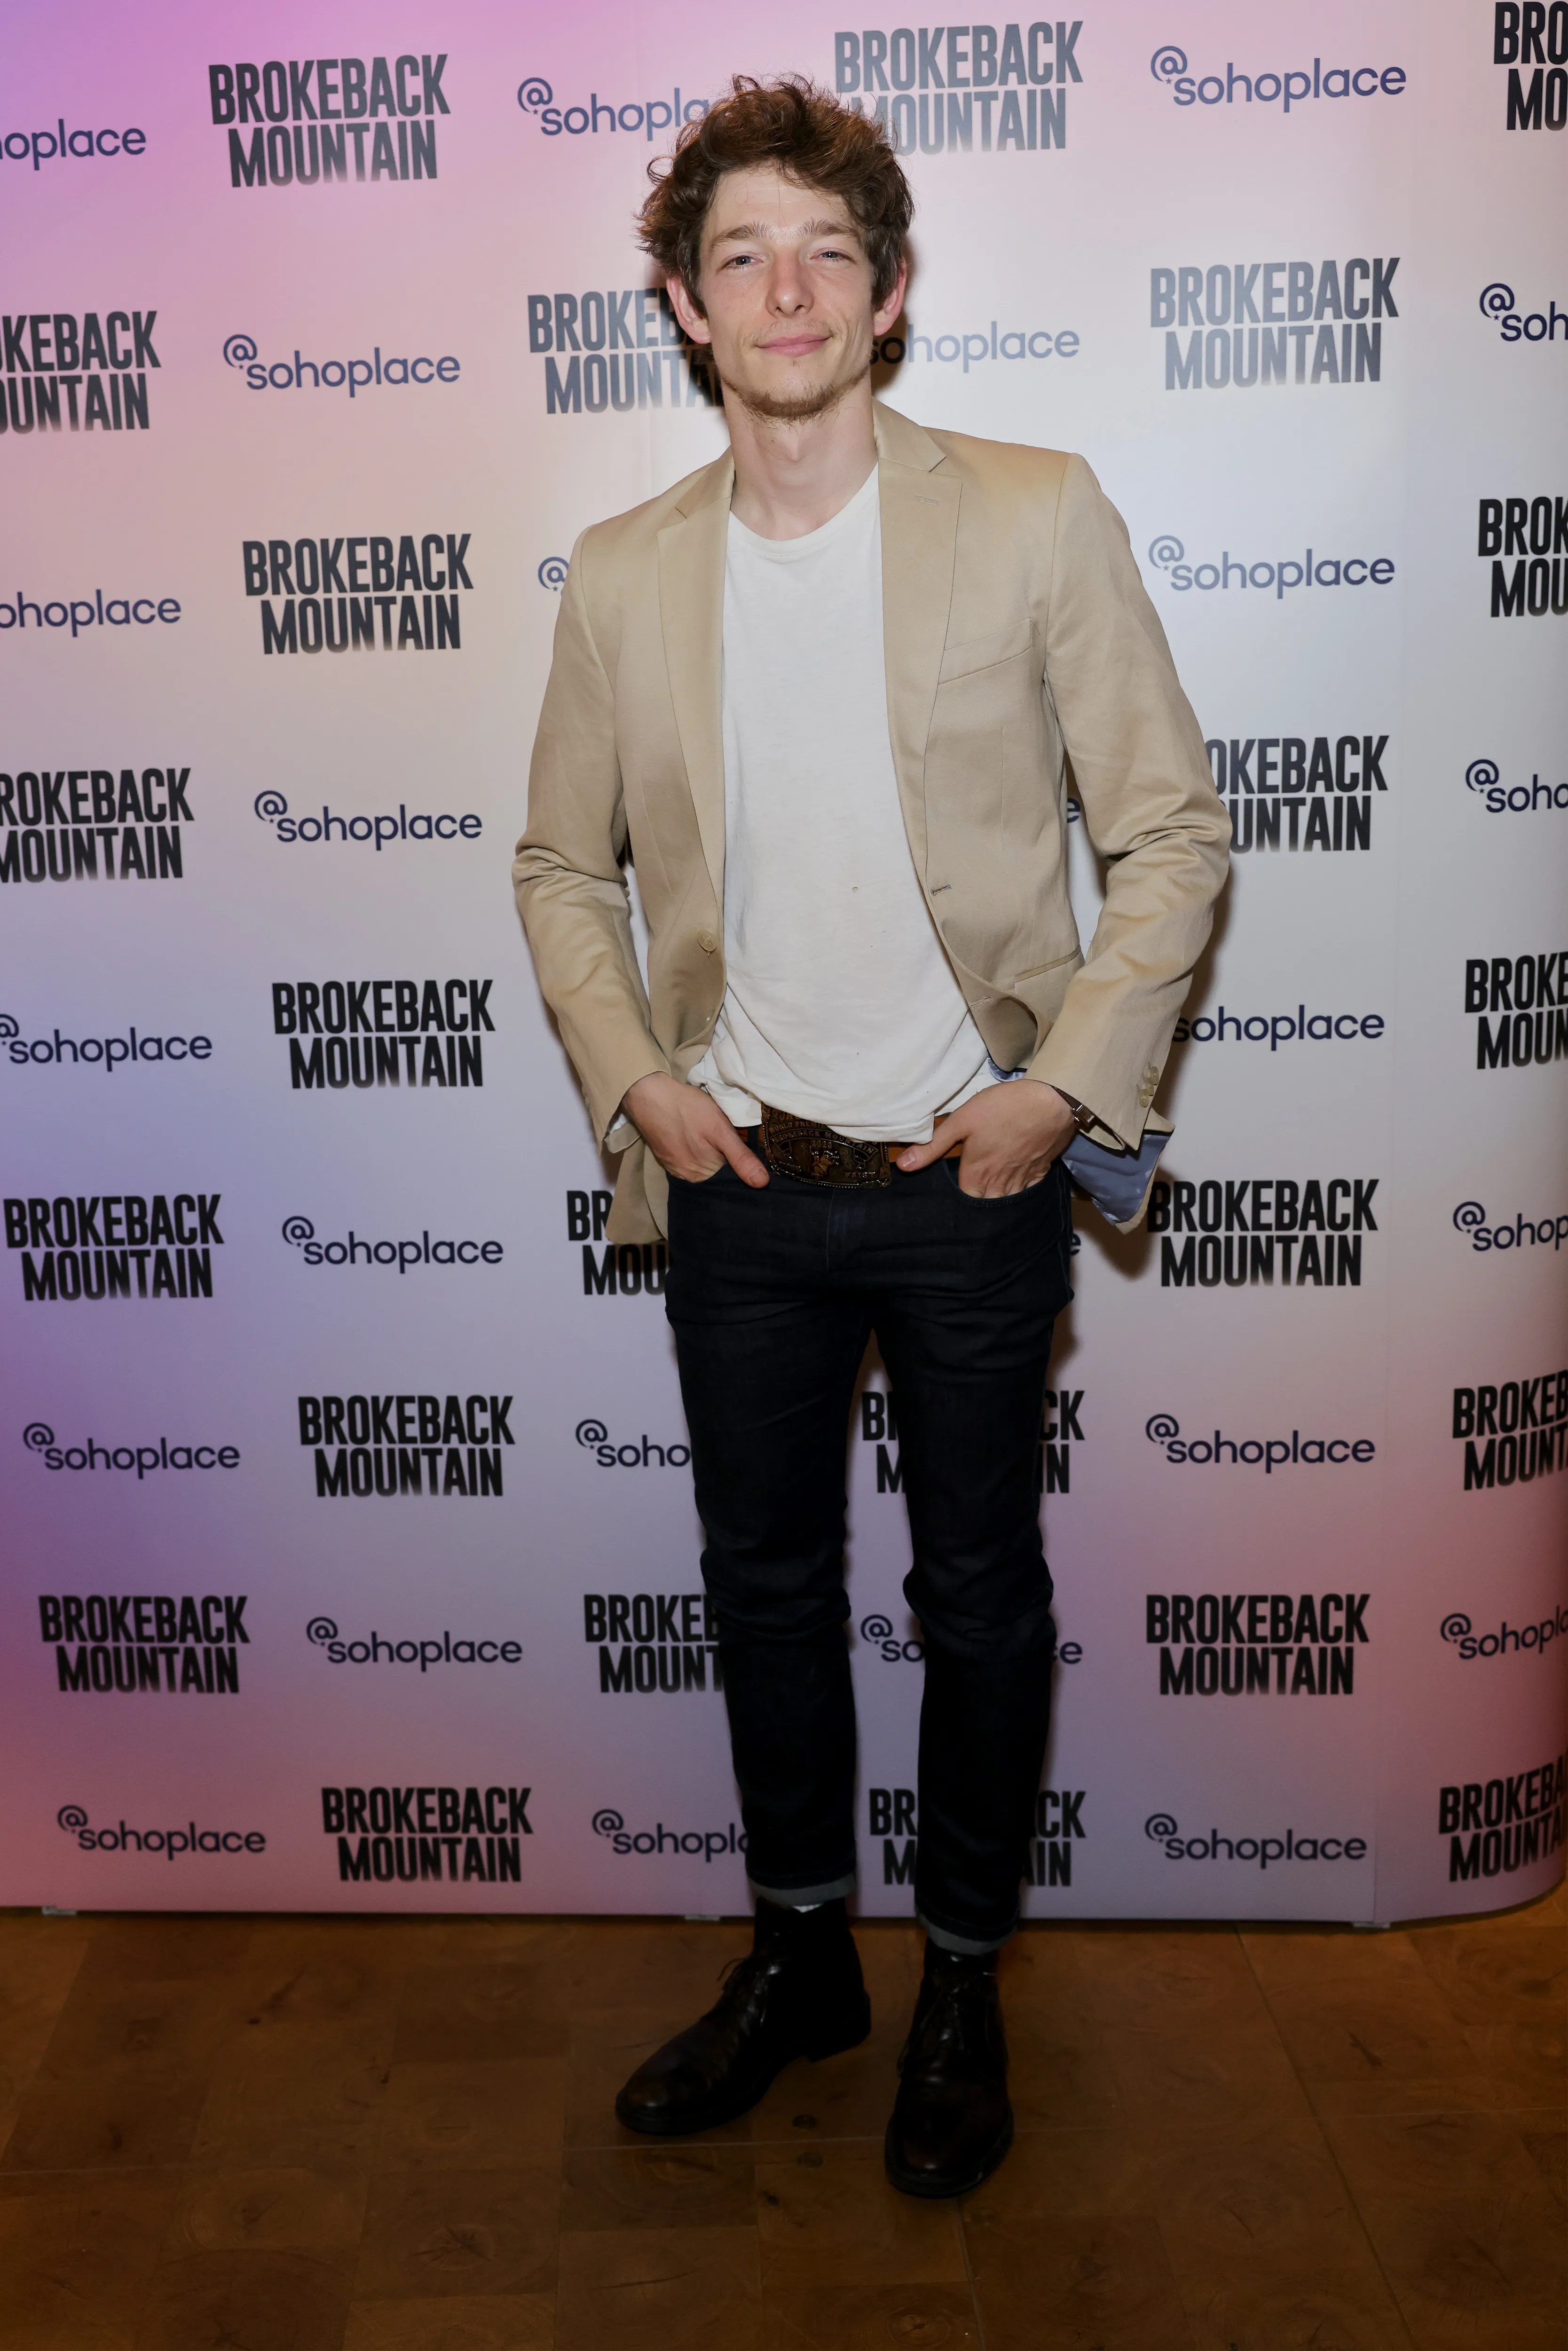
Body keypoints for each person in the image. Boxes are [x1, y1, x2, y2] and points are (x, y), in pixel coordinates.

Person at [514, 76, 1229, 2197]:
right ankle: (804, 1958)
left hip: (962, 1178)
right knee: (760, 1589)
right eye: (739, 252)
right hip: (736, 1178)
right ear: (683, 303)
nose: (785, 285)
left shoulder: (1028, 511)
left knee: (979, 1592)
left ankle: (962, 1980)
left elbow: (1170, 834)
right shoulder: (628, 571)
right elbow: (562, 864)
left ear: (890, 289)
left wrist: (1055, 1088)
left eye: (826, 249)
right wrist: (638, 1076)